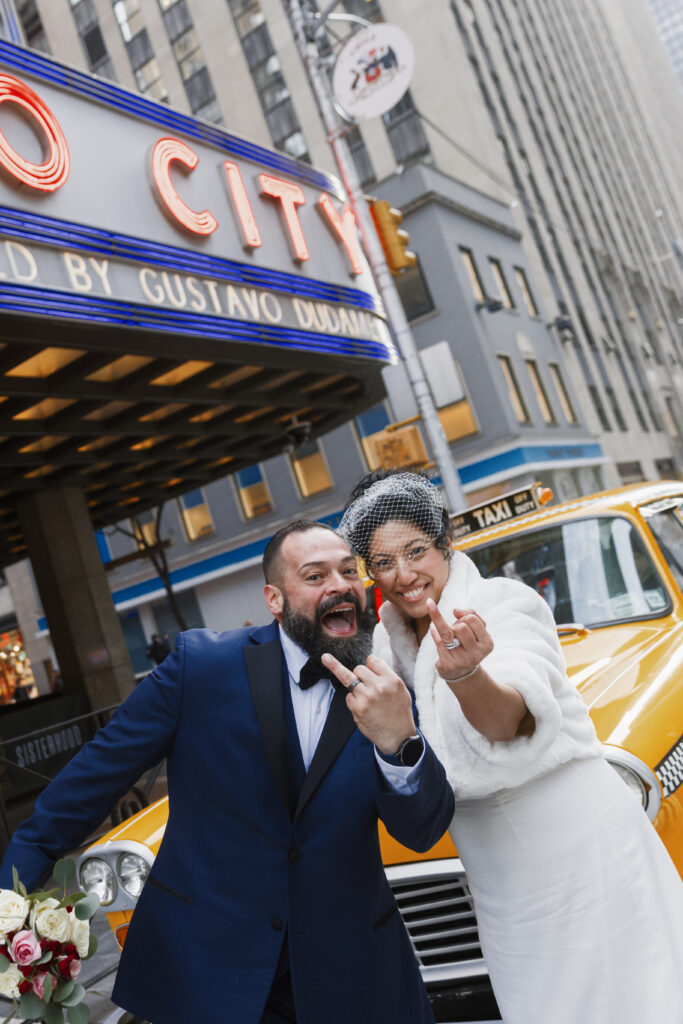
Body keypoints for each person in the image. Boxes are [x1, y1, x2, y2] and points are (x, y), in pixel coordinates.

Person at [0, 519, 455, 1024]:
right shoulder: (200, 667)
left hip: (353, 977)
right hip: (209, 975)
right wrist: (10, 911)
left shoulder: (389, 687)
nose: (340, 585)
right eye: (315, 575)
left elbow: (422, 831)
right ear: (275, 599)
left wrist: (399, 741)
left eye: (349, 571)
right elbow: (86, 787)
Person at [330, 470, 683, 1024]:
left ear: (444, 541)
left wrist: (468, 674)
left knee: (631, 998)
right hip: (496, 877)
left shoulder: (503, 602)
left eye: (415, 550)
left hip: (576, 844)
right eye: (382, 562)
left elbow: (511, 720)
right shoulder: (386, 642)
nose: (403, 575)